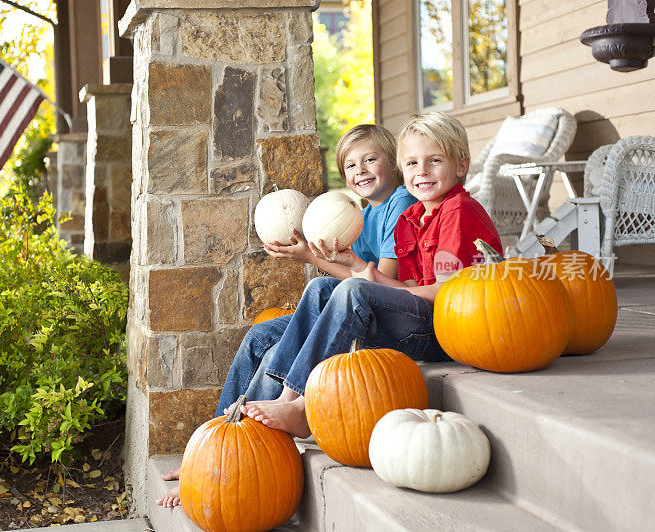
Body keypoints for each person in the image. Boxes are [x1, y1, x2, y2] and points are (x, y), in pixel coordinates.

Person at [156, 124, 417, 508]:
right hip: (357, 305)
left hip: (383, 313)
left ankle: (276, 418)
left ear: (392, 163)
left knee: (300, 315)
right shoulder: (359, 213)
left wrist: (313, 259)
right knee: (260, 337)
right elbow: (350, 275)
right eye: (350, 165)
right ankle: (211, 449)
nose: (360, 170)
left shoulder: (400, 204)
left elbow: (376, 282)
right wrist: (309, 253)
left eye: (370, 159)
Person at [238, 111, 502, 439]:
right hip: (420, 320)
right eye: (413, 164)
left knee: (352, 291)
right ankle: (232, 431)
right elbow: (406, 285)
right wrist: (360, 267)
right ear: (403, 168)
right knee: (322, 287)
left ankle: (300, 406)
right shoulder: (414, 216)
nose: (422, 172)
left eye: (434, 161)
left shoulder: (457, 213)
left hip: (448, 330)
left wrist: (367, 282)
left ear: (461, 166)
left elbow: (449, 293)